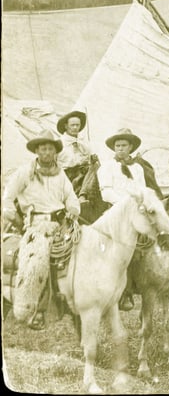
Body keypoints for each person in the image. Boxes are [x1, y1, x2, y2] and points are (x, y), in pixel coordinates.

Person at [1, 129, 81, 329]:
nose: (47, 153)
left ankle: (78, 301)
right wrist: (16, 218)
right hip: (35, 226)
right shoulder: (24, 172)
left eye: (50, 149)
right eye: (43, 148)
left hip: (60, 223)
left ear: (55, 152)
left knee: (83, 250)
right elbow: (8, 198)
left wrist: (72, 210)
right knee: (37, 258)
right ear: (36, 150)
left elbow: (71, 197)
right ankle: (32, 308)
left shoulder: (60, 174)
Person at [98, 127, 162, 311]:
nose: (120, 149)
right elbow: (106, 192)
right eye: (117, 146)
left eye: (124, 145)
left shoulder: (137, 168)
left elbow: (141, 189)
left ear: (131, 147)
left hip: (136, 210)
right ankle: (124, 293)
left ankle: (166, 275)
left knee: (159, 234)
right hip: (115, 212)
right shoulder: (107, 167)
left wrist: (142, 204)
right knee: (120, 249)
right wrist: (125, 204)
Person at [56, 110, 96, 203]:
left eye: (77, 125)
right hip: (68, 175)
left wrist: (93, 160)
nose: (75, 128)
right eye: (72, 125)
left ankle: (83, 196)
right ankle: (82, 195)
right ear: (66, 126)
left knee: (96, 166)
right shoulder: (58, 143)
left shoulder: (84, 143)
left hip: (84, 174)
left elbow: (90, 161)